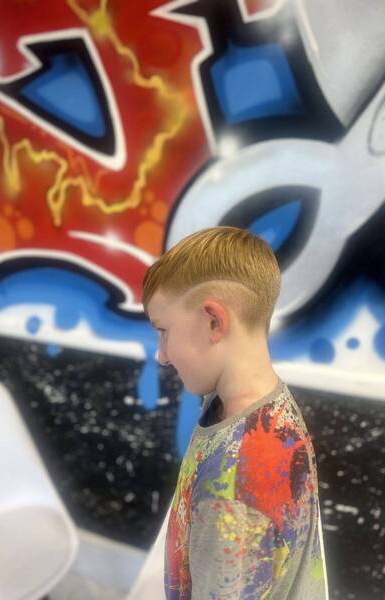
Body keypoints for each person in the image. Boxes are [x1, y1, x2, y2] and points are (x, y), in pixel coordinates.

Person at [141, 226, 328, 600]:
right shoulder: (251, 405)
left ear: (214, 321)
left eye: (164, 331)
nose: (161, 355)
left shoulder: (235, 492)